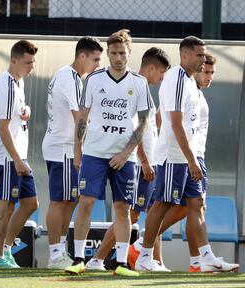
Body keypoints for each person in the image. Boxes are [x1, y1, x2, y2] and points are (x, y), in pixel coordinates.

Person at [134, 36, 239, 272]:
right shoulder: (177, 78)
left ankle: (205, 256)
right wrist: (191, 160)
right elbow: (175, 123)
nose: (203, 60)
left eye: (204, 55)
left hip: (190, 156)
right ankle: (144, 253)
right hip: (175, 157)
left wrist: (194, 158)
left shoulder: (192, 82)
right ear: (185, 56)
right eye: (199, 55)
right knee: (162, 203)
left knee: (196, 203)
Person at [65, 29, 152, 277]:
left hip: (124, 157)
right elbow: (82, 116)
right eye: (113, 52)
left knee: (123, 208)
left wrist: (126, 153)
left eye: (121, 52)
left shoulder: (139, 82)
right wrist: (77, 149)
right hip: (94, 152)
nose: (117, 57)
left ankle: (122, 263)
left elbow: (144, 122)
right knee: (86, 202)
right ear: (108, 53)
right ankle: (79, 258)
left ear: (129, 53)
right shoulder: (94, 79)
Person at [84, 47, 171, 271]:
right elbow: (135, 131)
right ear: (151, 68)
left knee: (151, 212)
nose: (161, 79)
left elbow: (149, 128)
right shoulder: (133, 84)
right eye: (161, 73)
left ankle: (153, 259)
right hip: (141, 163)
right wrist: (144, 161)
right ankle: (98, 258)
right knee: (130, 212)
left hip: (149, 162)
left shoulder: (143, 89)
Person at [42, 36, 103, 269]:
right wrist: (80, 151)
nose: (98, 64)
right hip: (63, 149)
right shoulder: (69, 78)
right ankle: (55, 254)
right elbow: (79, 117)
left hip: (64, 147)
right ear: (82, 56)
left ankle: (60, 251)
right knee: (59, 201)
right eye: (95, 59)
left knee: (70, 200)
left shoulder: (74, 77)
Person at [0, 40, 39, 268]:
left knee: (30, 203)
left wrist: (25, 110)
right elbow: (1, 128)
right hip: (9, 158)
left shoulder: (18, 82)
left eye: (33, 62)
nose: (32, 67)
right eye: (28, 63)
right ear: (14, 60)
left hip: (19, 156)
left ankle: (7, 248)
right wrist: (17, 160)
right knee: (5, 207)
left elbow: (14, 114)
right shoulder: (8, 85)